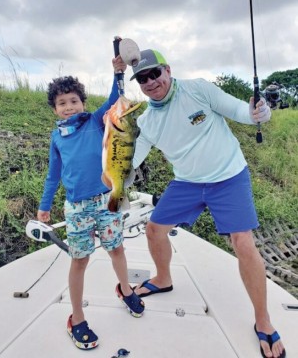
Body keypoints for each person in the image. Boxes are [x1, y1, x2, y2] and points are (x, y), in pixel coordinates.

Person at [126, 49, 285, 358]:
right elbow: (131, 160)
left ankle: (263, 320)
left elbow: (243, 111)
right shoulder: (146, 121)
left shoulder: (198, 89)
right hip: (187, 182)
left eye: (154, 73)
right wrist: (113, 172)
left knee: (242, 243)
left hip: (229, 176)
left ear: (167, 70)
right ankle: (163, 278)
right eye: (142, 78)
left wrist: (259, 112)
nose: (150, 82)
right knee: (154, 229)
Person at [36, 59, 144, 351]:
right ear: (54, 109)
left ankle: (124, 289)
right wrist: (44, 206)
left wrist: (118, 72)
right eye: (62, 103)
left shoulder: (97, 122)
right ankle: (77, 318)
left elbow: (114, 99)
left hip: (107, 200)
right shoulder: (57, 137)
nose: (69, 106)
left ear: (83, 103)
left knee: (116, 248)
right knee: (79, 260)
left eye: (74, 100)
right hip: (77, 208)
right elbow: (53, 175)